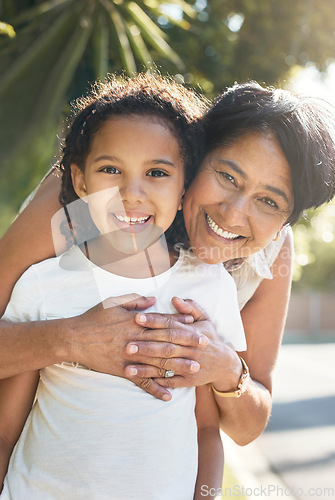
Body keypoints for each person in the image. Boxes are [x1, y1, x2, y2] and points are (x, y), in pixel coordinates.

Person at [0, 80, 334, 450]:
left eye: (269, 202)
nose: (234, 214)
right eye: (227, 176)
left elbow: (245, 428)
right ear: (194, 158)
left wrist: (224, 367)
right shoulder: (103, 199)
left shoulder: (272, 252)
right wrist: (72, 339)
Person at [0, 74, 247, 499]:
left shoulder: (208, 288)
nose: (132, 194)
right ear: (79, 182)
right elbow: (6, 431)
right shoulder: (42, 284)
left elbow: (207, 429)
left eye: (156, 172)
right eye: (110, 169)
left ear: (184, 185)